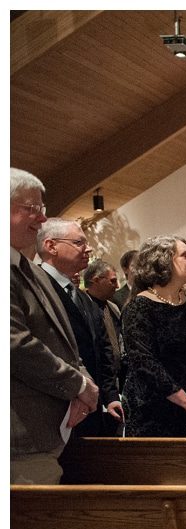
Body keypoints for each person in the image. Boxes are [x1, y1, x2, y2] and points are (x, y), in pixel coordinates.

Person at [10, 168, 98, 484]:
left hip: (49, 435)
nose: (41, 218)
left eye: (42, 209)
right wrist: (76, 385)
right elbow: (14, 345)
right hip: (18, 437)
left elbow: (65, 342)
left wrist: (85, 383)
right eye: (30, 208)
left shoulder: (31, 270)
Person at [121, 235, 186, 436]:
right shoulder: (139, 307)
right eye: (185, 256)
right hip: (154, 414)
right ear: (163, 262)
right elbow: (146, 365)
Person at [36, 218, 123, 437]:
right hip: (58, 407)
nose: (89, 249)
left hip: (93, 406)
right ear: (51, 246)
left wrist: (110, 396)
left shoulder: (83, 298)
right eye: (79, 242)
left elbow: (102, 350)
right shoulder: (36, 288)